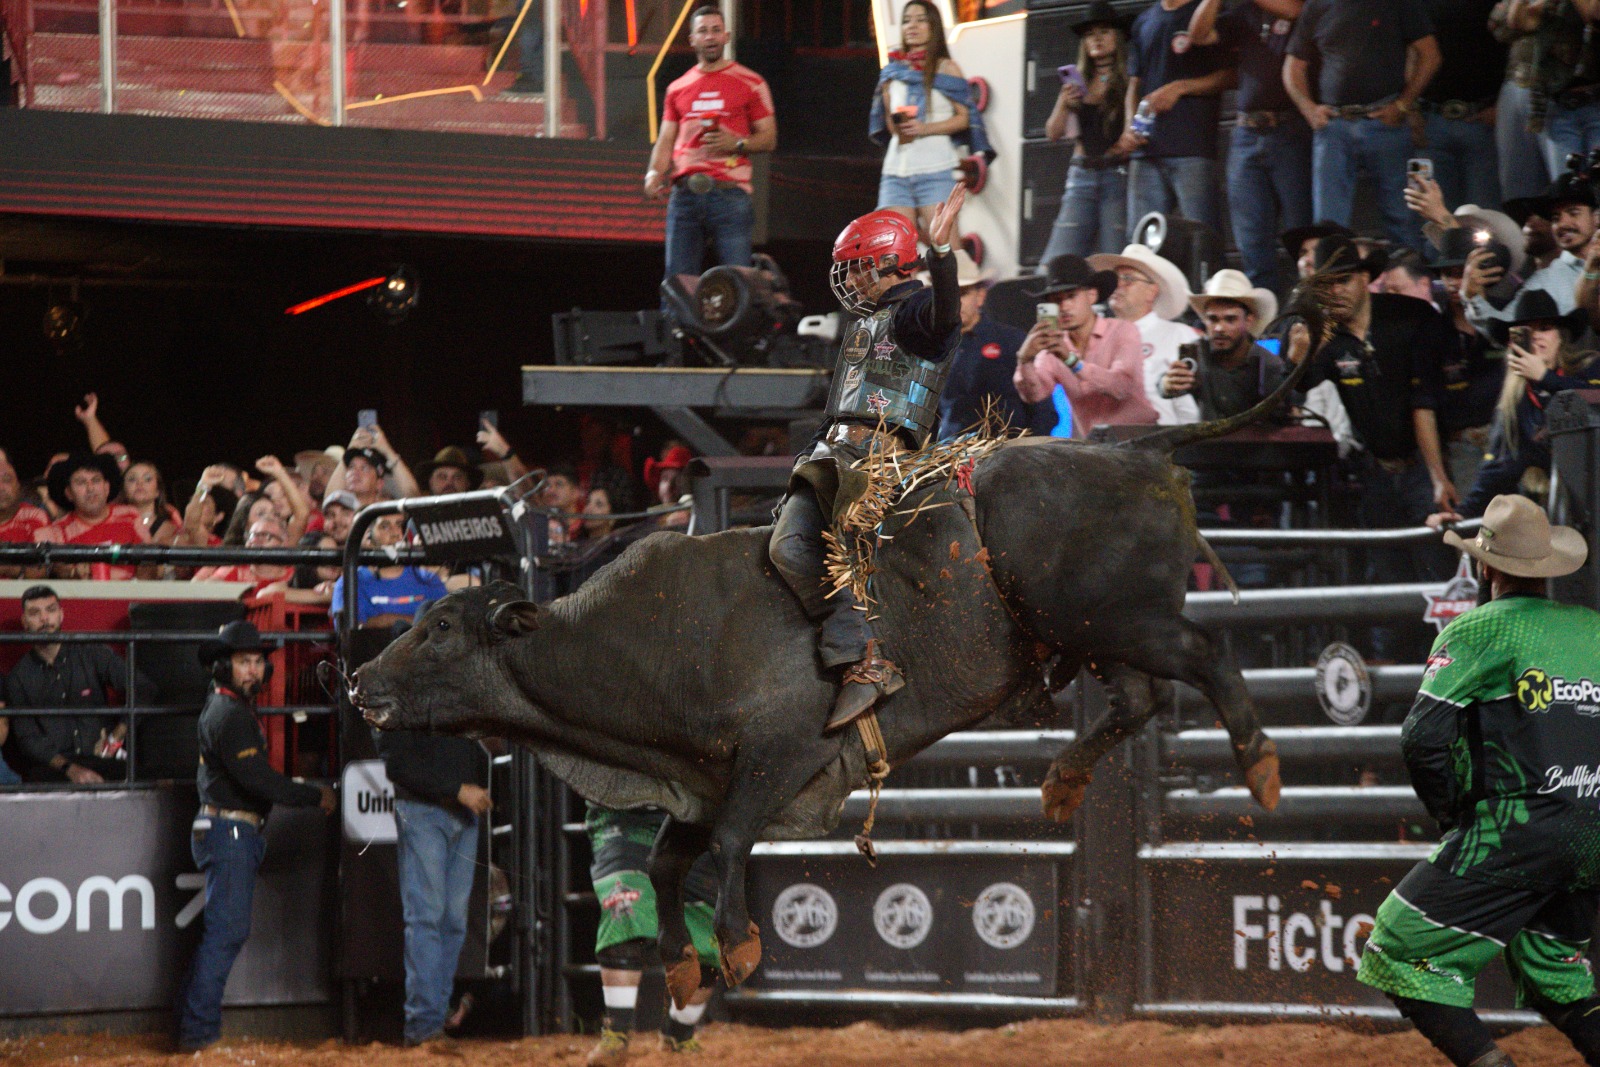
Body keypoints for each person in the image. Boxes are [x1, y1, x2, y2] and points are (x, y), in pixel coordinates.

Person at [1357, 495, 1600, 1067]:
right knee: (1554, 970)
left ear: (1486, 566)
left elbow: (1422, 737)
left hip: (1522, 826)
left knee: (1396, 950)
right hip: (1593, 828)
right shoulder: (1593, 629)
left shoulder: (1479, 629)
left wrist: (1454, 817)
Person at [768, 185, 965, 731]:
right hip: (834, 454)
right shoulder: (866, 322)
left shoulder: (915, 312)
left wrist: (941, 255)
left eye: (857, 268)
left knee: (833, 541)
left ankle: (864, 658)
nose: (850, 280)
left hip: (880, 460)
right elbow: (843, 406)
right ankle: (853, 648)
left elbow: (947, 317)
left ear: (886, 263)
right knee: (785, 546)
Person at [1287, 236, 1456, 654]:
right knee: (1391, 578)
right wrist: (1298, 356)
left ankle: (1455, 668)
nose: (1336, 292)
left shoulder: (1411, 316)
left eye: (1343, 280)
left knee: (1444, 575)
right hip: (1377, 470)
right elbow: (1297, 388)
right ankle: (1403, 673)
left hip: (1429, 462)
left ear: (1365, 278)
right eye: (1326, 285)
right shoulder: (1328, 337)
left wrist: (1438, 476)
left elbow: (1424, 401)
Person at [175, 621, 336, 1052]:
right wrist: (314, 796)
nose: (253, 670)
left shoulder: (225, 708)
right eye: (244, 662)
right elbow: (258, 780)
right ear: (223, 667)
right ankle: (198, 1034)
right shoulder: (230, 715)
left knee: (221, 934)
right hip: (230, 829)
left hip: (223, 826)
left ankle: (191, 1026)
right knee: (226, 934)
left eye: (257, 662)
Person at [1428, 289, 1600, 527]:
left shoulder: (1589, 367)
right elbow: (1496, 469)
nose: (1536, 337)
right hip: (1567, 513)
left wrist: (1546, 378)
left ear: (1560, 336)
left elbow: (1595, 399)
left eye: (1545, 328)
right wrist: (1462, 514)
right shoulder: (1514, 404)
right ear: (1514, 343)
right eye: (1526, 332)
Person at [1283, 0, 1441, 252]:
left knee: (1404, 218)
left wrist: (1402, 105)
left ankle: (1409, 276)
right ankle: (1334, 276)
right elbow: (1293, 66)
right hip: (1334, 127)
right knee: (1328, 226)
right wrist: (1308, 109)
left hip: (1387, 124)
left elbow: (1430, 55)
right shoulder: (1317, 5)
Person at [374, 717, 490, 1049]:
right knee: (429, 917)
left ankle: (432, 1019)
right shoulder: (401, 697)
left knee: (450, 921)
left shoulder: (446, 694)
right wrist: (459, 789)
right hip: (426, 810)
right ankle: (425, 1025)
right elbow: (397, 763)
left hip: (459, 812)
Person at [645, 6, 777, 288]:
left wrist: (737, 143)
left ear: (726, 36)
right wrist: (654, 173)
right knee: (678, 284)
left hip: (730, 195)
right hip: (685, 195)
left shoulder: (751, 82)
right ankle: (680, 321)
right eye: (703, 31)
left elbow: (769, 138)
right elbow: (666, 139)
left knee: (738, 284)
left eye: (716, 30)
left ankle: (740, 319)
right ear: (692, 39)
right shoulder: (677, 88)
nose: (710, 37)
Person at [1187, 0, 1312, 295]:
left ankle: (1307, 312)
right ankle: (1265, 319)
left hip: (1290, 128)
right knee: (1252, 240)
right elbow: (1198, 35)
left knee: (1302, 234)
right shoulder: (1243, 13)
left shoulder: (1297, 5)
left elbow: (1297, 12)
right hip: (1246, 131)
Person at [583, 804, 719, 1065]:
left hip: (690, 824)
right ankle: (616, 1035)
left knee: (710, 941)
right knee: (623, 908)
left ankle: (678, 1034)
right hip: (624, 821)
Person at [5, 585, 156, 784]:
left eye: (50, 610)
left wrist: (116, 737)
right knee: (38, 779)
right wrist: (69, 768)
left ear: (61, 615)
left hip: (103, 760)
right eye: (35, 613)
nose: (44, 619)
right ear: (25, 622)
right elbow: (28, 739)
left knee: (144, 777)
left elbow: (144, 688)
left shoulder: (92, 652)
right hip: (55, 769)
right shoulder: (18, 677)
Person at [869, 1, 990, 248]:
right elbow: (891, 125)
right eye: (906, 21)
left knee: (947, 248)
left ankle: (962, 275)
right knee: (894, 248)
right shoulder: (893, 71)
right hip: (896, 171)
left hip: (935, 169)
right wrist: (899, 124)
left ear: (933, 26)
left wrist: (924, 128)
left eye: (920, 19)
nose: (911, 26)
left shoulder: (947, 68)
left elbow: (964, 118)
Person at [1013, 253, 1158, 436]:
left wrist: (1072, 361)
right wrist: (1024, 360)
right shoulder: (1054, 345)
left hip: (1139, 439)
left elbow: (1121, 387)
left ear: (1091, 295)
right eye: (1057, 300)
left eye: (1071, 296)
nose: (1064, 307)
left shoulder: (1123, 330)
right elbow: (1034, 396)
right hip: (1094, 444)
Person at [1123, 0, 1232, 236]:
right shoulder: (1144, 20)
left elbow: (1231, 75)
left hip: (1191, 146)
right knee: (1141, 242)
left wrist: (1181, 87)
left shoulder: (1206, 13)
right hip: (1146, 149)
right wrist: (1129, 126)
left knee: (1201, 237)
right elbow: (1134, 83)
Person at [1039, 0, 1132, 262]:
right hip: (1081, 174)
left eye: (1104, 31)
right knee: (1058, 259)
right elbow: (1052, 133)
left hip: (1117, 174)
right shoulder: (1076, 80)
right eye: (1090, 34)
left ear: (1118, 36)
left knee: (1113, 257)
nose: (1096, 39)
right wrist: (1063, 102)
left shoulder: (1129, 78)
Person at [937, 249, 1055, 440]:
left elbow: (1043, 410)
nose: (954, 302)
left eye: (962, 293)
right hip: (950, 452)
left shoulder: (1012, 340)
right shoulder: (932, 348)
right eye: (947, 294)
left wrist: (1028, 451)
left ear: (980, 296)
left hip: (1006, 450)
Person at [1467, 173, 1597, 329]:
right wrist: (1472, 297)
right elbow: (1508, 330)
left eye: (1573, 213)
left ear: (1596, 217)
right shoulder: (1544, 282)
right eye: (1555, 218)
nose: (1563, 224)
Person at [1088, 243, 1199, 424]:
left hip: (1161, 437)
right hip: (1102, 438)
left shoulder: (1180, 336)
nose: (1118, 285)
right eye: (1115, 279)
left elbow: (1193, 406)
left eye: (1128, 279)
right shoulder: (1093, 336)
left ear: (1152, 291)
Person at [1159, 269, 1284, 421]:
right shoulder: (1198, 353)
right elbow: (1167, 385)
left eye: (1230, 319)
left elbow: (1280, 413)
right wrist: (1167, 384)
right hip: (1208, 436)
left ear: (1248, 321)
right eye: (1213, 319)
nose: (1219, 328)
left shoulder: (1268, 363)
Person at [1416, 0, 1505, 212]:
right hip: (1426, 122)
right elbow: (1404, 49)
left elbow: (1515, 47)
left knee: (1486, 217)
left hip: (1483, 122)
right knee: (1426, 213)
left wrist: (1502, 106)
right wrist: (1409, 110)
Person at [1506, 0, 1600, 182]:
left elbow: (1594, 14)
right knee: (1566, 185)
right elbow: (1514, 23)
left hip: (1595, 104)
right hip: (1558, 107)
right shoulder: (1550, 8)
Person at [33, 452, 149, 580]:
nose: (90, 488)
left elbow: (150, 564)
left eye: (96, 480)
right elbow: (35, 575)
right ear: (69, 493)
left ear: (107, 487)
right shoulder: (55, 533)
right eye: (81, 482)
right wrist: (67, 572)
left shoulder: (130, 516)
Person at [330, 513, 448, 628]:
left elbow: (446, 626)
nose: (396, 533)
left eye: (400, 525)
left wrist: (387, 620)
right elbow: (352, 633)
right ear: (368, 537)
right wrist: (415, 623)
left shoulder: (428, 579)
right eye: (385, 526)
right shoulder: (350, 583)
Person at [1491, 0, 1554, 204]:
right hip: (1515, 84)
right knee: (1517, 190)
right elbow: (1499, 27)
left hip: (1556, 90)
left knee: (1565, 183)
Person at [0, 448, 51, 578]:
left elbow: (45, 567)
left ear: (18, 486)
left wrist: (10, 569)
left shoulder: (35, 517)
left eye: (7, 480)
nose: (1, 487)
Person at [119, 461, 182, 547]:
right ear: (124, 491)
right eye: (132, 479)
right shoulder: (115, 524)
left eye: (147, 479)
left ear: (158, 491)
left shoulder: (170, 527)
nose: (139, 483)